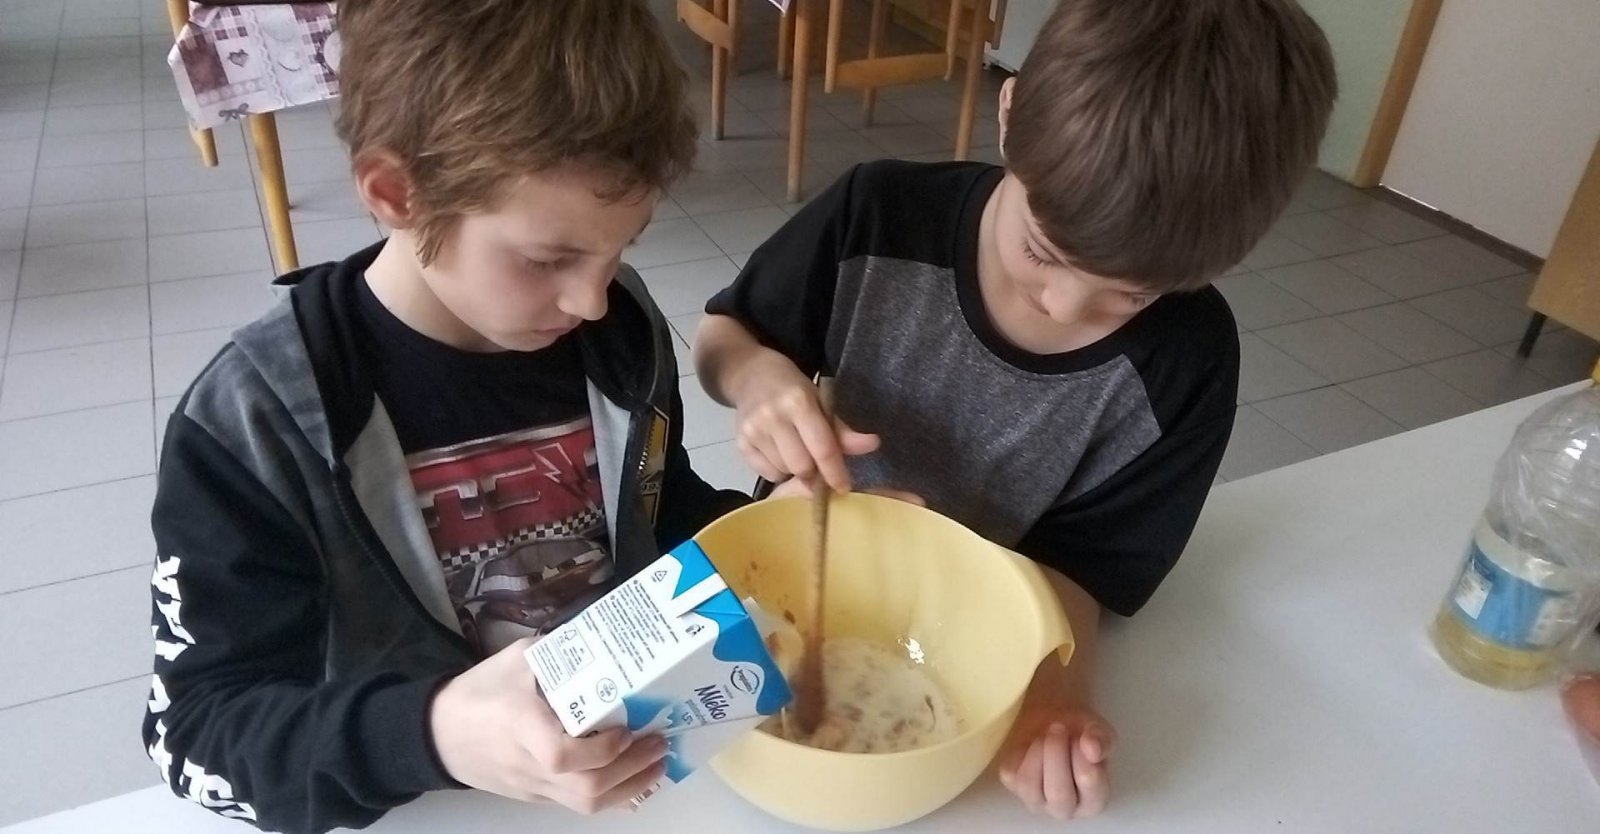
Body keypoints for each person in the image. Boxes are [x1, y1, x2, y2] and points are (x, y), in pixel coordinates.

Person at [693, 0, 1337, 820]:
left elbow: (1085, 568)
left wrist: (1053, 698)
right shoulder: (878, 213)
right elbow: (724, 335)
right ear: (1009, 109)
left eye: (1132, 294)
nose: (1065, 304)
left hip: (974, 631)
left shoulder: (1186, 363)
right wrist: (758, 380)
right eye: (1042, 250)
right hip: (789, 555)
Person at [142, 2, 745, 830]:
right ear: (398, 193)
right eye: (548, 258)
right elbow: (197, 736)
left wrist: (763, 539)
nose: (591, 298)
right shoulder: (256, 420)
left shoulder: (618, 333)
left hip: (625, 785)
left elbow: (656, 514)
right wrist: (433, 735)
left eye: (621, 249)